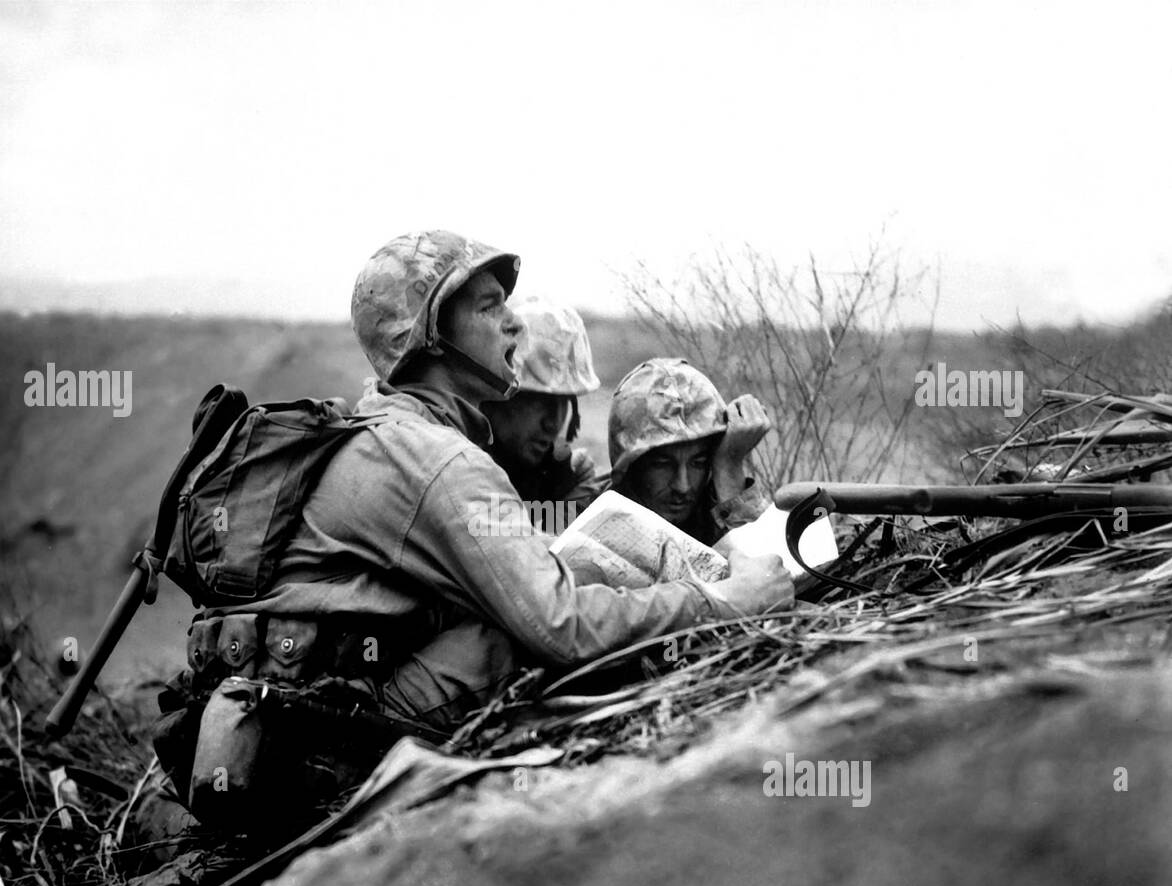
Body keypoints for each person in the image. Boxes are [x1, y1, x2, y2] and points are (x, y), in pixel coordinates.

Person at [181, 231, 793, 822]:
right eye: (488, 305)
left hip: (307, 723)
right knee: (519, 629)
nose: (513, 323)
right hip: (332, 752)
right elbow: (560, 627)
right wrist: (720, 602)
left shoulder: (383, 428)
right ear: (430, 335)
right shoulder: (440, 462)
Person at [607, 358, 772, 545]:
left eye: (698, 463)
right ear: (630, 465)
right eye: (662, 465)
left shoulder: (716, 517)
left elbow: (767, 565)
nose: (682, 486)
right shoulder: (579, 505)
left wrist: (729, 465)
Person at [481, 295, 605, 533]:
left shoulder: (567, 475)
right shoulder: (454, 465)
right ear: (496, 394)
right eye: (539, 401)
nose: (554, 422)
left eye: (564, 402)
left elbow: (557, 559)